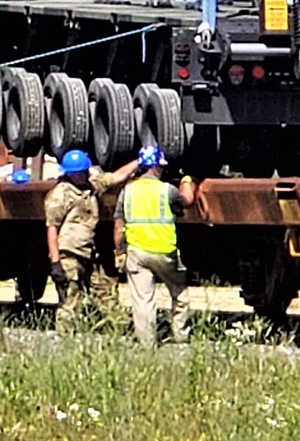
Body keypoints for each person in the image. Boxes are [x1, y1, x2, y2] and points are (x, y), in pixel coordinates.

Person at [45, 149, 139, 333]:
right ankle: (65, 338)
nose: (83, 175)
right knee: (70, 301)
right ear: (70, 174)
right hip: (69, 255)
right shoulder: (59, 195)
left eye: (84, 171)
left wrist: (139, 160)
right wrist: (55, 262)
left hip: (89, 252)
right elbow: (52, 229)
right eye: (79, 173)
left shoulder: (91, 186)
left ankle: (122, 329)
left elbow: (117, 177)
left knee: (104, 291)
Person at [114, 145, 196, 347]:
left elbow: (118, 228)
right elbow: (187, 201)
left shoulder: (127, 192)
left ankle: (147, 343)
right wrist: (187, 182)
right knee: (179, 292)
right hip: (164, 251)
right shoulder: (166, 190)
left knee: (142, 300)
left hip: (136, 253)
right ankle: (180, 335)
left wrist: (119, 251)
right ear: (157, 168)